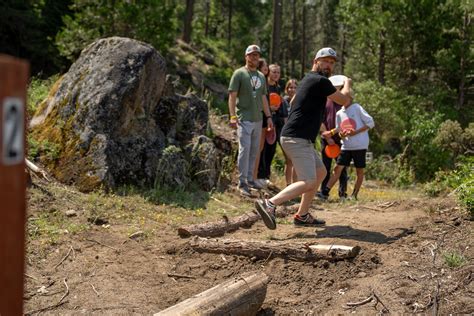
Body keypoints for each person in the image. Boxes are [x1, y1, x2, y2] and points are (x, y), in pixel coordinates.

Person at [255, 47, 352, 230]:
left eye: (332, 63)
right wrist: (347, 82)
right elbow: (345, 100)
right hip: (296, 138)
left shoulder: (309, 79)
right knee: (308, 180)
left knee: (321, 172)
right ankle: (270, 204)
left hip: (299, 138)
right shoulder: (320, 80)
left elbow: (292, 102)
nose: (329, 65)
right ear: (316, 61)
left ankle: (302, 215)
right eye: (326, 61)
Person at [228, 45, 274, 197]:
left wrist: (268, 117)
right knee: (244, 150)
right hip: (244, 119)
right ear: (246, 56)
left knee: (254, 150)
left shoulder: (261, 76)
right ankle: (242, 183)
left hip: (258, 119)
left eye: (257, 55)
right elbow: (232, 96)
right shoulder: (239, 73)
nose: (254, 57)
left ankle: (249, 180)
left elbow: (263, 98)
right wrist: (232, 116)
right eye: (252, 55)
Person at [320, 90, 374, 200]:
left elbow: (371, 123)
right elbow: (339, 129)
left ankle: (354, 195)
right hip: (346, 145)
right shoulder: (339, 113)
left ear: (349, 97)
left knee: (359, 170)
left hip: (360, 145)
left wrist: (356, 132)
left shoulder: (357, 108)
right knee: (337, 168)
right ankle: (325, 192)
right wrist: (341, 134)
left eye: (342, 96)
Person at [317, 76, 349, 201]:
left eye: (338, 86)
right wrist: (326, 134)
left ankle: (342, 194)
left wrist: (335, 134)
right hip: (326, 139)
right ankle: (323, 193)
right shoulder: (324, 100)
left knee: (341, 167)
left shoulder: (344, 102)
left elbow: (347, 121)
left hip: (341, 139)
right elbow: (320, 119)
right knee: (325, 167)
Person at [257, 64, 288, 185]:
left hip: (274, 122)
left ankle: (266, 175)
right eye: (273, 72)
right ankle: (259, 175)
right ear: (268, 73)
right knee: (262, 148)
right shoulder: (263, 86)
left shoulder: (278, 87)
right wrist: (268, 108)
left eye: (278, 72)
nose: (276, 74)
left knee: (271, 148)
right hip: (263, 120)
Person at [252, 58, 270, 188]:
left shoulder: (265, 82)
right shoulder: (256, 82)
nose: (267, 70)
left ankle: (255, 176)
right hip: (258, 116)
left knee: (260, 148)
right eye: (265, 68)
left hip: (264, 117)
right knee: (256, 148)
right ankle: (252, 177)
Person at [283, 79, 298, 185]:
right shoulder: (283, 101)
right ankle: (288, 185)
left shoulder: (300, 101)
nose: (292, 89)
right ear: (286, 89)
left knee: (296, 161)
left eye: (294, 87)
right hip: (286, 133)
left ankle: (295, 184)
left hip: (298, 133)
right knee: (289, 161)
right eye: (290, 87)